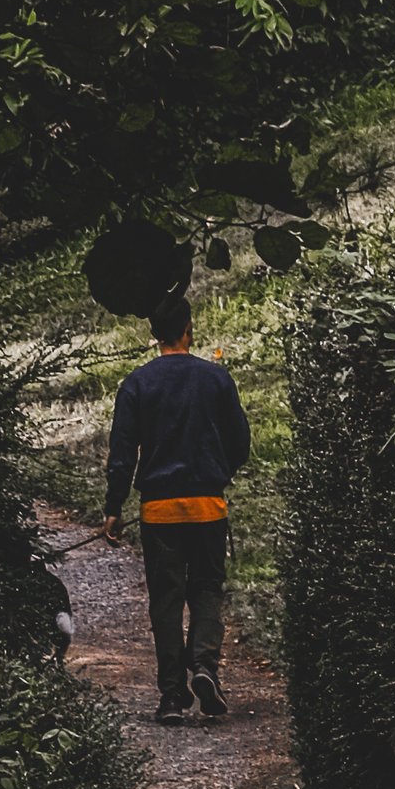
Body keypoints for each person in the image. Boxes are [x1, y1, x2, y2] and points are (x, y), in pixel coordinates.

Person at [101, 287, 252, 722]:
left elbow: (123, 453)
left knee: (165, 601)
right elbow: (240, 442)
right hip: (207, 506)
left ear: (155, 335)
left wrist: (114, 507)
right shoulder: (216, 378)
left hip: (159, 511)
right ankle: (204, 665)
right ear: (189, 330)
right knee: (206, 589)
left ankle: (171, 696)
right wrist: (219, 470)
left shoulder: (137, 384)